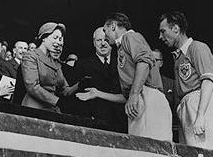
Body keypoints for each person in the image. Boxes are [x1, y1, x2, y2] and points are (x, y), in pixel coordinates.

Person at [102, 13, 172, 141]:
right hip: (139, 99)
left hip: (148, 97)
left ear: (113, 26)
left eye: (104, 30)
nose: (105, 36)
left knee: (154, 152)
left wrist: (134, 94)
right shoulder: (122, 46)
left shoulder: (131, 37)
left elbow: (144, 62)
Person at [159, 11, 213, 149]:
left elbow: (208, 81)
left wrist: (200, 116)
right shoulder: (178, 57)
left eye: (163, 31)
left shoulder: (197, 48)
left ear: (176, 29)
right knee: (189, 155)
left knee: (202, 153)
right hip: (185, 108)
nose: (160, 37)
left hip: (199, 105)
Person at [74, 27, 127, 133]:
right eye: (99, 40)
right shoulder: (82, 65)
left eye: (106, 40)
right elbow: (79, 95)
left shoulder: (122, 63)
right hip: (95, 123)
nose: (103, 44)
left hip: (122, 122)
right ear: (94, 43)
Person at [21, 22, 79, 112]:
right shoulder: (30, 56)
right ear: (44, 38)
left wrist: (80, 85)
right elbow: (32, 87)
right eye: (55, 38)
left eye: (60, 39)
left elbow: (65, 90)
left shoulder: (55, 62)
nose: (58, 42)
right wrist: (57, 101)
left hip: (52, 109)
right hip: (34, 109)